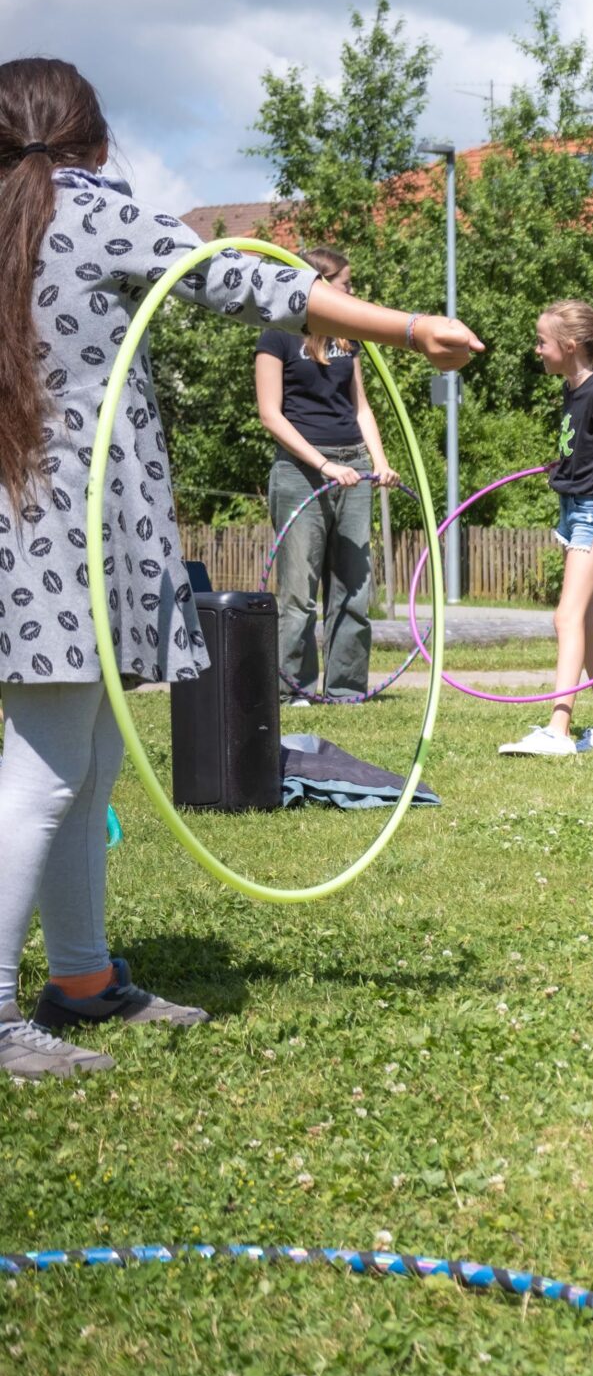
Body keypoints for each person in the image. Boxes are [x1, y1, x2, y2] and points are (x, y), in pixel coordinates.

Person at [0, 56, 483, 1081]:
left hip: (31, 520)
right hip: (67, 529)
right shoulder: (87, 208)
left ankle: (81, 976)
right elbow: (251, 277)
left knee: (85, 759)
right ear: (88, 138)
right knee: (46, 768)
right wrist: (407, 327)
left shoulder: (15, 220)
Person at [498, 300, 593, 758]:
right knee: (586, 621)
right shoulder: (572, 389)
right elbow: (589, 448)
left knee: (566, 617)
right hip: (574, 507)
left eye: (542, 342)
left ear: (569, 345)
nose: (537, 349)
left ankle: (559, 730)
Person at [256, 245, 399, 705]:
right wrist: (323, 466)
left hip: (353, 467)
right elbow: (270, 415)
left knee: (355, 588)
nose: (351, 292)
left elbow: (360, 407)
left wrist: (378, 462)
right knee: (298, 594)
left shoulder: (347, 338)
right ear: (319, 283)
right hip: (302, 470)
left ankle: (345, 688)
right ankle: (291, 688)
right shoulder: (276, 336)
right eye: (346, 284)